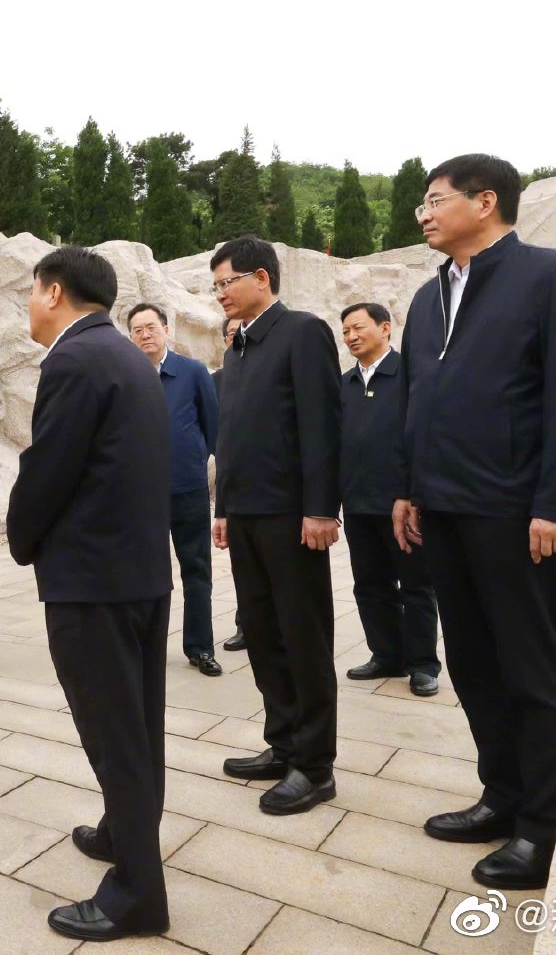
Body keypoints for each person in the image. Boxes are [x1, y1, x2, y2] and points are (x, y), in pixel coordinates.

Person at [393, 154, 556, 890]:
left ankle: (543, 829)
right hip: (444, 508)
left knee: (533, 669)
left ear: (485, 201)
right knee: (474, 662)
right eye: (423, 203)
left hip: (517, 513)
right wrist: (408, 488)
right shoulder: (429, 297)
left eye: (435, 200)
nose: (424, 214)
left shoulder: (553, 278)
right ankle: (502, 795)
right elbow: (417, 400)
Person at [8, 247, 173, 943]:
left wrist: (20, 538)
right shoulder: (129, 356)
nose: (28, 306)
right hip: (139, 574)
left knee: (114, 735)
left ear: (54, 292)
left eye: (31, 292)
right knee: (138, 724)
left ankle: (137, 895)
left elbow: (50, 467)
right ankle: (122, 831)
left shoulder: (73, 360)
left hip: (94, 581)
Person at [210, 236, 342, 816]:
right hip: (246, 515)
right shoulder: (238, 348)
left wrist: (321, 508)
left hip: (292, 517)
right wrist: (224, 508)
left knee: (302, 637)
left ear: (261, 277)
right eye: (215, 285)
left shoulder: (302, 333)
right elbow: (232, 438)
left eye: (227, 282)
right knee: (262, 632)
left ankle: (314, 767)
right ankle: (283, 744)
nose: (220, 294)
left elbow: (322, 426)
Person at [337, 303, 440, 697]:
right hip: (358, 503)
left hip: (402, 505)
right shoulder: (344, 384)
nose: (351, 337)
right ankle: (386, 654)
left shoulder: (410, 376)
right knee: (370, 584)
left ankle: (423, 664)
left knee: (416, 585)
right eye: (345, 331)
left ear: (384, 328)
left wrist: (409, 493)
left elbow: (423, 438)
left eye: (358, 328)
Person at [127, 303, 221, 676]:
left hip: (188, 491)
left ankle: (200, 647)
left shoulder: (193, 372)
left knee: (196, 571)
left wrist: (193, 459)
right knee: (144, 573)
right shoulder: (127, 375)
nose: (145, 334)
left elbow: (212, 427)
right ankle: (143, 647)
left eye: (151, 327)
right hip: (142, 496)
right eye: (137, 330)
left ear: (166, 329)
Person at [212, 317, 247, 653]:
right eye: (232, 334)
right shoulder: (218, 380)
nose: (238, 338)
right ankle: (245, 625)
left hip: (275, 490)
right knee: (243, 566)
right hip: (233, 483)